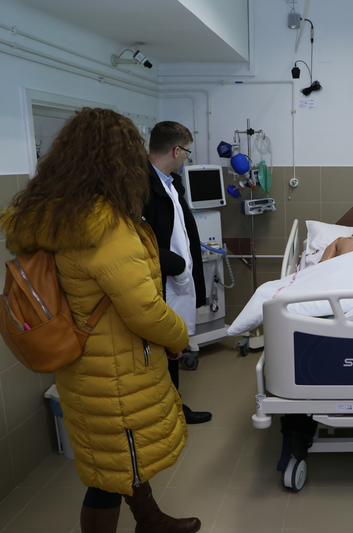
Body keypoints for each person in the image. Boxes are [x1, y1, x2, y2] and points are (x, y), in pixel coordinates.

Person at [0, 108, 200, 533]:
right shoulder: (104, 227)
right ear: (119, 163)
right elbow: (144, 309)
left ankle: (149, 519)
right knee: (111, 474)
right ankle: (145, 520)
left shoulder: (55, 215)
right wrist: (179, 335)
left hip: (85, 366)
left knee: (118, 460)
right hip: (114, 373)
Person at [145, 121, 212, 425]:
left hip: (175, 281)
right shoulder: (143, 187)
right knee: (163, 349)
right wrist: (180, 268)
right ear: (176, 150)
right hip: (160, 283)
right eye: (186, 151)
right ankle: (168, 414)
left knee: (172, 345)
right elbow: (144, 244)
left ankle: (174, 408)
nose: (186, 156)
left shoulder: (170, 182)